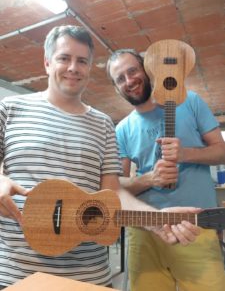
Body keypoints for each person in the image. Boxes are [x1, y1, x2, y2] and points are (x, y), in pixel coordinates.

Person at [0, 25, 200, 290]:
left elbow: (113, 193)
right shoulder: (9, 109)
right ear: (47, 63)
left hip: (89, 274)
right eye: (64, 58)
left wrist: (158, 219)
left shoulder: (104, 124)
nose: (73, 67)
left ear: (89, 68)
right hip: (17, 272)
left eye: (82, 61)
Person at [107, 48, 225, 291]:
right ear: (116, 88)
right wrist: (149, 179)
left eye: (133, 71)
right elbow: (116, 186)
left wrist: (185, 154)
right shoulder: (122, 129)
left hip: (194, 226)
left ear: (147, 69)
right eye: (120, 78)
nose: (129, 81)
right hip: (144, 230)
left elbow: (221, 151)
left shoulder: (189, 101)